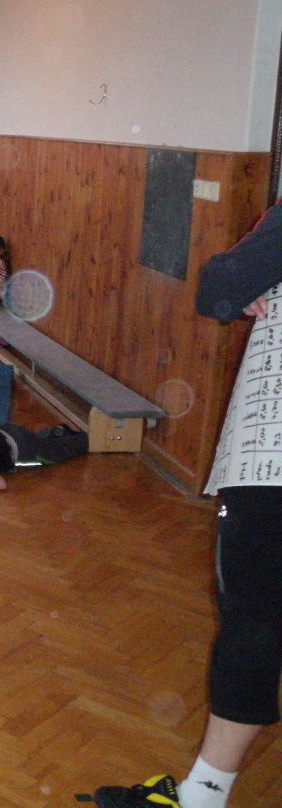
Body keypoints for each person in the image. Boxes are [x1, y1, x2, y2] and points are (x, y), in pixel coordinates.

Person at [92, 198, 282, 808]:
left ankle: (203, 796)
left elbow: (219, 287)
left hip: (271, 462)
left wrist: (244, 283)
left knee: (254, 622)